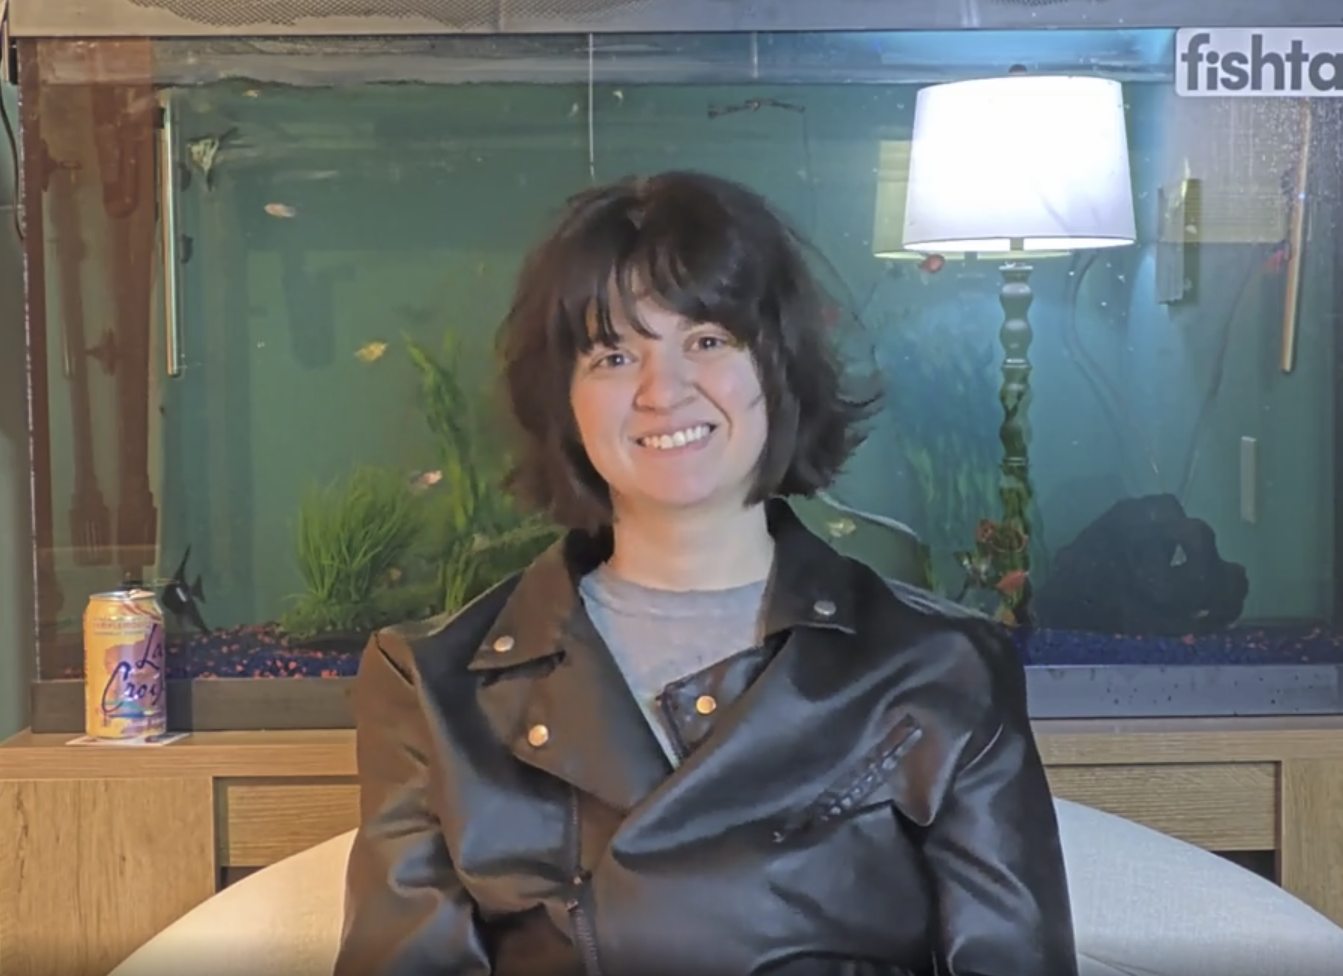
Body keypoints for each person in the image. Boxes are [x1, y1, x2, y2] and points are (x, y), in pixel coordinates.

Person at [335, 170, 1078, 976]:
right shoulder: (432, 684)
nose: (663, 391)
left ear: (778, 365)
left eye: (708, 341)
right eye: (614, 354)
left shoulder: (942, 666)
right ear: (564, 403)